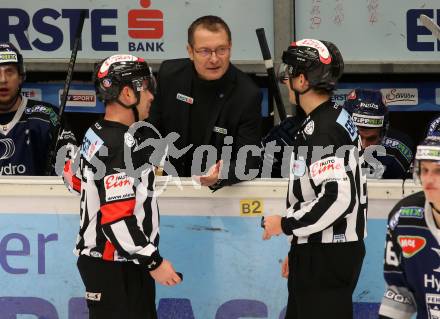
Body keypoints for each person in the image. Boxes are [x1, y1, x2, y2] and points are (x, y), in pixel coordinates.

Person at [62, 54, 181, 319]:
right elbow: (116, 217)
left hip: (112, 263)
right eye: (147, 87)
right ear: (127, 93)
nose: (151, 95)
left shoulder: (96, 130)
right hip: (117, 265)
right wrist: (154, 261)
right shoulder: (120, 144)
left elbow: (74, 180)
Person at [261, 39, 367, 319]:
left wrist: (284, 225)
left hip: (327, 255)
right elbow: (317, 192)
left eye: (289, 73)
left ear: (303, 79)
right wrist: (298, 245)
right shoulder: (330, 117)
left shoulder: (323, 130)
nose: (285, 80)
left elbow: (337, 198)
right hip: (320, 250)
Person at [148, 15, 262, 190]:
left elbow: (249, 161)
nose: (215, 59)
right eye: (205, 51)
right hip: (168, 187)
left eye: (221, 49)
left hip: (218, 194)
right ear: (190, 51)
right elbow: (151, 131)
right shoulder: (169, 75)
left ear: (230, 47)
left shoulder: (247, 94)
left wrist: (220, 174)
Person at [378, 117, 440, 319]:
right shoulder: (403, 218)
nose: (429, 180)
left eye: (438, 171)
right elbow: (400, 293)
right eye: (425, 170)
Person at [0, 42, 75, 175]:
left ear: (21, 77)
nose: (3, 79)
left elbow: (72, 175)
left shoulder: (48, 117)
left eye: (10, 72)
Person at [343, 88, 415, 179]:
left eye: (371, 139)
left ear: (383, 133)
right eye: (358, 137)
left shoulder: (398, 151)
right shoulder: (327, 143)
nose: (364, 146)